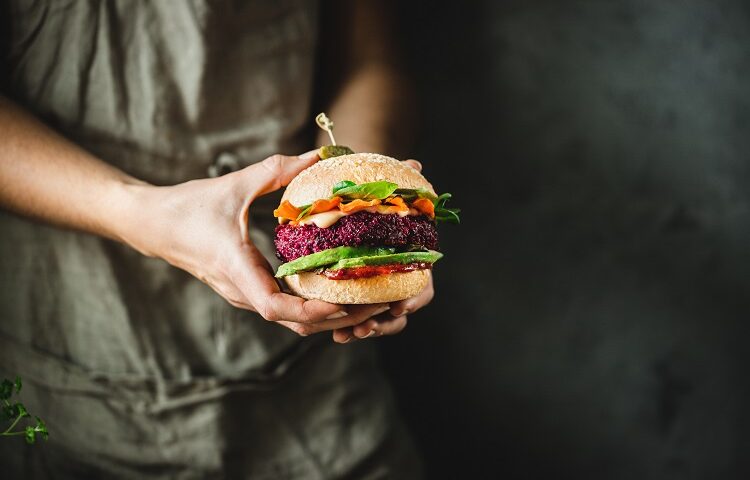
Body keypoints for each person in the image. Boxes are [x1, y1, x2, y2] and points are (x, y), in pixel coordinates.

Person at [0, 1, 430, 477]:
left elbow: (369, 60)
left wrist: (358, 181)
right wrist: (133, 209)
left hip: (326, 398)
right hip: (74, 394)